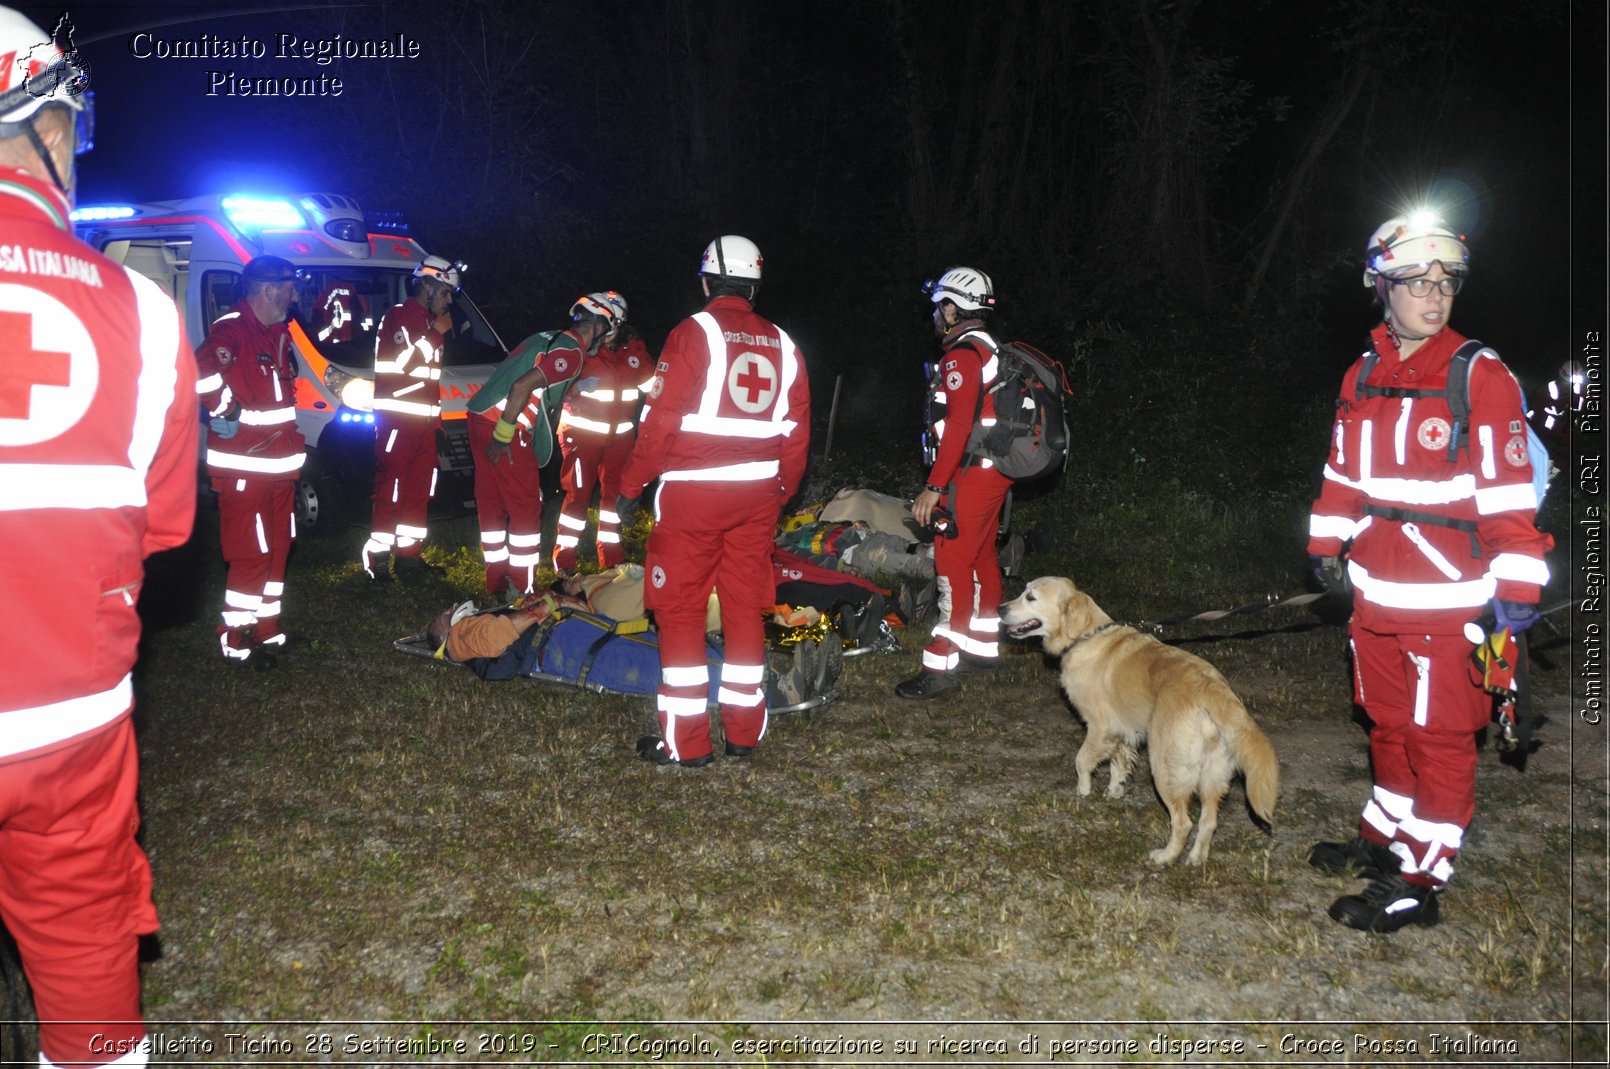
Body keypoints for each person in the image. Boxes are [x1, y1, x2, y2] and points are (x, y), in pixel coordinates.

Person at [0, 8, 197, 1064]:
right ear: (31, 124)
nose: (75, 155)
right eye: (69, 128)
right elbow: (162, 527)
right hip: (71, 724)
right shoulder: (147, 312)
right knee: (86, 962)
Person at [1306, 212, 1553, 932]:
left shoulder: (1482, 375)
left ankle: (1419, 878)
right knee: (1386, 724)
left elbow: (1511, 505)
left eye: (1446, 281)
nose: (1435, 294)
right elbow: (1343, 473)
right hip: (1374, 599)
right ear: (1381, 286)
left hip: (1451, 608)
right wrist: (1326, 543)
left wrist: (1515, 603)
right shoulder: (1364, 373)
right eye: (1417, 280)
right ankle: (1383, 838)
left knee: (1440, 740)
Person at [618, 235, 812, 766]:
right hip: (758, 495)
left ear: (706, 281)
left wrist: (632, 486)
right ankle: (745, 733)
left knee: (680, 611)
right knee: (745, 606)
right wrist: (781, 491)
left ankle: (688, 743)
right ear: (754, 284)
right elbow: (797, 435)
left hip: (694, 496)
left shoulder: (693, 332)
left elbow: (660, 422)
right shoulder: (785, 342)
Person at [895, 266, 1012, 699]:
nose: (936, 315)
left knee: (951, 561)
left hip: (971, 473)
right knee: (981, 556)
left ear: (953, 307)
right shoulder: (989, 346)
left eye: (940, 306)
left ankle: (941, 665)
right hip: (992, 470)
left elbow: (959, 424)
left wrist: (935, 486)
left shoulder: (962, 355)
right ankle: (983, 646)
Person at [466, 294, 621, 597]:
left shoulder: (547, 337)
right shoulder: (573, 352)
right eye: (608, 332)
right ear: (601, 325)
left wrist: (574, 388)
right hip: (505, 425)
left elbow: (537, 378)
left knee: (492, 501)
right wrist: (503, 435)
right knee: (525, 509)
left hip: (477, 415)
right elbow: (521, 386)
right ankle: (522, 587)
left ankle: (495, 578)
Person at [194, 253, 307, 666]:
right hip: (245, 469)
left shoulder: (276, 332)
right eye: (290, 286)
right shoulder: (234, 329)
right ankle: (235, 638)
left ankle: (267, 630)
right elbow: (198, 372)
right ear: (268, 289)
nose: (295, 294)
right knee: (251, 553)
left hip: (279, 468)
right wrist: (226, 410)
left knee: (278, 549)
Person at [360, 256, 459, 580]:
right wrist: (436, 335)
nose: (449, 301)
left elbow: (428, 381)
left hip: (424, 428)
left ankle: (409, 559)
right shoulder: (398, 317)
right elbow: (405, 367)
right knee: (392, 492)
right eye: (445, 293)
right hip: (396, 425)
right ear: (427, 286)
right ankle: (376, 560)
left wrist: (438, 422)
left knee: (419, 493)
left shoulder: (431, 325)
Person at [552, 295, 653, 571]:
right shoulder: (576, 347)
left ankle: (613, 562)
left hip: (620, 439)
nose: (585, 327)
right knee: (578, 499)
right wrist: (574, 389)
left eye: (593, 322)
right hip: (581, 436)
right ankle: (565, 563)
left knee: (614, 502)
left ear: (613, 323)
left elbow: (653, 386)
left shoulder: (634, 349)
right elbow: (552, 386)